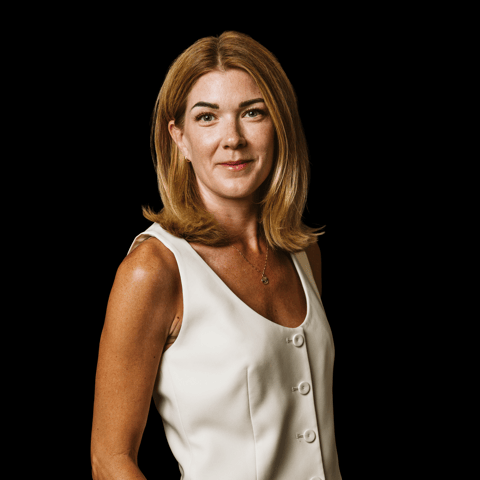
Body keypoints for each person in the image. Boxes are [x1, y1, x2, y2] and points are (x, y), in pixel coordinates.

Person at [91, 31, 342, 480]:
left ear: (280, 125)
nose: (233, 138)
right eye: (207, 117)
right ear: (180, 138)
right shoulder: (154, 269)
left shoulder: (303, 252)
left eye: (252, 112)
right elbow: (110, 460)